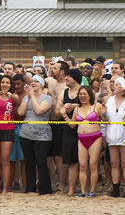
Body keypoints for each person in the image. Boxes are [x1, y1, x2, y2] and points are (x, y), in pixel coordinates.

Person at [65, 85, 106, 197]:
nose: (82, 96)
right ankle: (83, 190)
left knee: (93, 165)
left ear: (90, 95)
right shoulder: (77, 109)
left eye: (84, 94)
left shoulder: (96, 106)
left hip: (95, 137)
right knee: (82, 166)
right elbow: (72, 125)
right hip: (81, 138)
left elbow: (105, 119)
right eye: (80, 94)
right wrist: (64, 114)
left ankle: (92, 190)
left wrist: (104, 112)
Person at [17, 74, 54, 195]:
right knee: (29, 162)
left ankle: (45, 189)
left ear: (42, 85)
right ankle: (30, 188)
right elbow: (20, 112)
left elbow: (39, 111)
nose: (33, 83)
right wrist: (27, 97)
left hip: (42, 136)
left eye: (36, 81)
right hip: (26, 134)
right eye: (31, 81)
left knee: (41, 161)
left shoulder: (47, 98)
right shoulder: (26, 97)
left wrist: (32, 96)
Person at [56, 68, 82, 196]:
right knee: (71, 162)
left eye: (68, 77)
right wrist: (64, 108)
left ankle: (86, 189)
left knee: (84, 162)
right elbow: (57, 111)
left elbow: (92, 105)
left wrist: (75, 106)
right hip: (67, 129)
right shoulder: (64, 92)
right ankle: (71, 190)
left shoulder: (84, 91)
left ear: (75, 78)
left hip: (83, 130)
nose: (65, 78)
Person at [105, 77, 125, 198]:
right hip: (111, 133)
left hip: (124, 133)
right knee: (114, 162)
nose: (114, 87)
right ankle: (115, 187)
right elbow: (106, 117)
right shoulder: (109, 100)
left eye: (117, 85)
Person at [45, 60, 69, 191]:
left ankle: (61, 183)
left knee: (59, 155)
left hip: (60, 122)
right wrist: (50, 67)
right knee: (48, 155)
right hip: (48, 121)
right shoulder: (50, 82)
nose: (53, 70)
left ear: (62, 71)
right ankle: (52, 182)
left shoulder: (67, 86)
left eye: (56, 68)